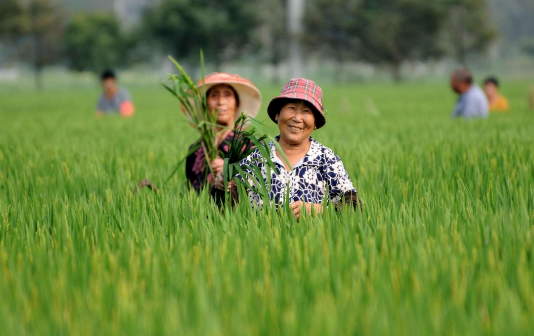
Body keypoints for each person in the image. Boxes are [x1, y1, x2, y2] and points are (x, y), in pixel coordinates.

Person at [213, 78, 361, 219]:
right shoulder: (257, 156)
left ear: (315, 122)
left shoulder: (326, 159)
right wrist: (221, 185)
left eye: (306, 111)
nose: (297, 118)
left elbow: (355, 208)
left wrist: (321, 210)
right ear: (277, 114)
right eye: (291, 108)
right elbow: (225, 210)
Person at [185, 73, 262, 191]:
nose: (221, 102)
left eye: (227, 95)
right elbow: (189, 193)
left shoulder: (250, 145)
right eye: (214, 95)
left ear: (237, 104)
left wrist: (232, 170)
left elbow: (262, 185)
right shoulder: (195, 150)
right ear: (205, 105)